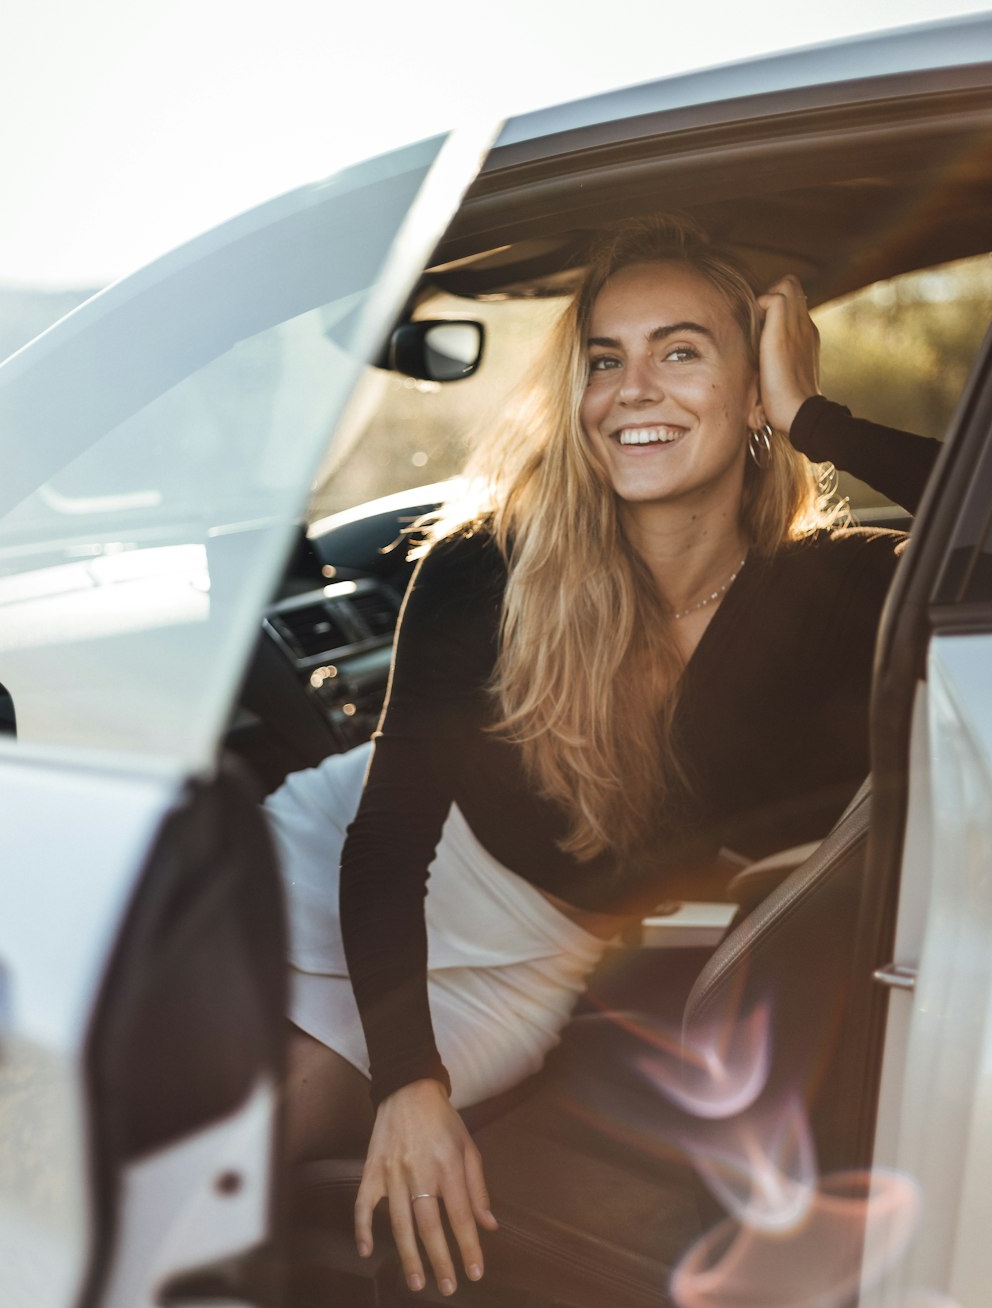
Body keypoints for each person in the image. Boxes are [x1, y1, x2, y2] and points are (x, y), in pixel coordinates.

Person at [266, 214, 939, 1298]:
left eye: (681, 351)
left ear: (750, 386)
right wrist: (409, 1083)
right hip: (342, 870)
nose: (633, 389)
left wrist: (817, 416)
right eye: (604, 359)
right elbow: (387, 840)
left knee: (255, 1142)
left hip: (532, 957)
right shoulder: (487, 568)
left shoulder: (831, 591)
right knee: (156, 1076)